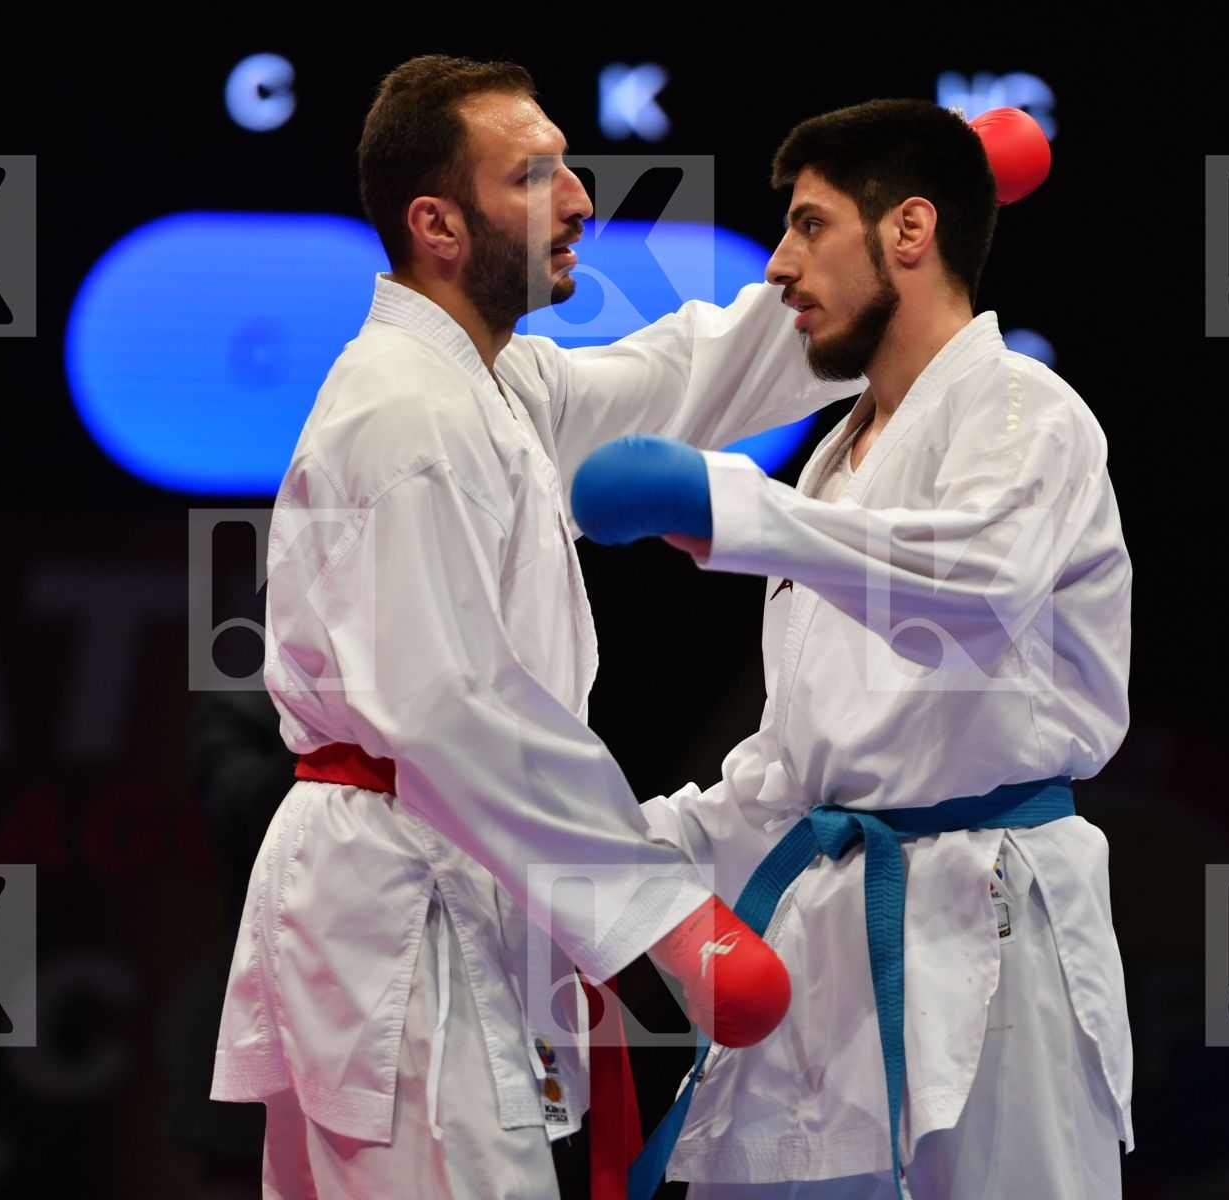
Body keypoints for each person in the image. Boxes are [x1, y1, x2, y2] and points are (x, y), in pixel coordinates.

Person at [208, 55, 861, 1200]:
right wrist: (671, 923)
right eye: (535, 177)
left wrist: (868, 269)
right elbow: (453, 708)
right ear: (438, 224)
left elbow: (686, 379)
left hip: (427, 890)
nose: (578, 203)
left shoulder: (494, 387)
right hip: (401, 913)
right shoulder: (406, 413)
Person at [571, 100, 1133, 1198]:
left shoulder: (1029, 412)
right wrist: (594, 861)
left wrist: (731, 509)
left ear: (909, 233)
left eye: (809, 225)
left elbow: (977, 586)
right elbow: (794, 770)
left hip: (990, 927)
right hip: (820, 940)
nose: (779, 266)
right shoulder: (834, 462)